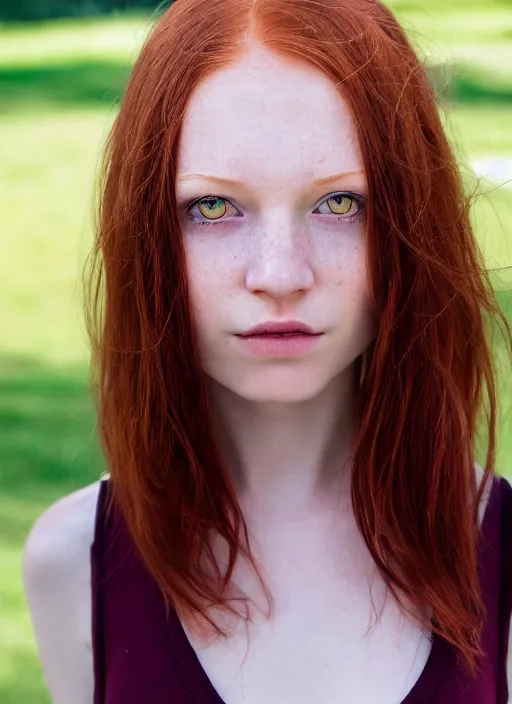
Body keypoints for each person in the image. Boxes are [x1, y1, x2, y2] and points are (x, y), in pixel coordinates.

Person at [21, 0, 512, 702]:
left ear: (413, 223)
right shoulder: (74, 564)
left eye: (341, 203)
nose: (280, 274)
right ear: (146, 234)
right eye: (214, 208)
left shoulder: (504, 555)